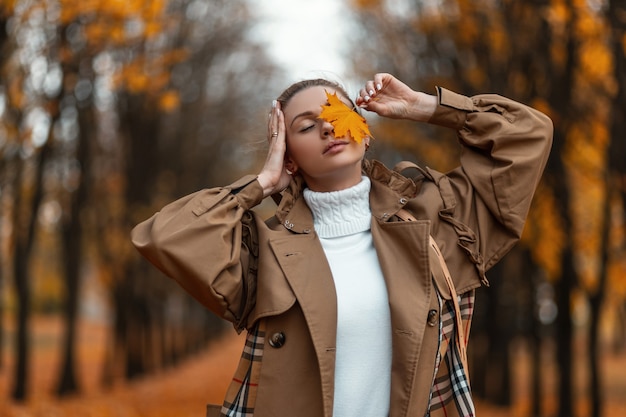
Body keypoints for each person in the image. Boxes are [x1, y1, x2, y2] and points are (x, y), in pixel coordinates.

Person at [131, 73, 553, 417]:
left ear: (364, 130)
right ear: (289, 155)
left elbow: (528, 134)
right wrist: (261, 184)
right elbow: (165, 235)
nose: (329, 126)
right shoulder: (265, 249)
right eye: (306, 126)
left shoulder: (437, 219)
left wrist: (425, 107)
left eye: (337, 113)